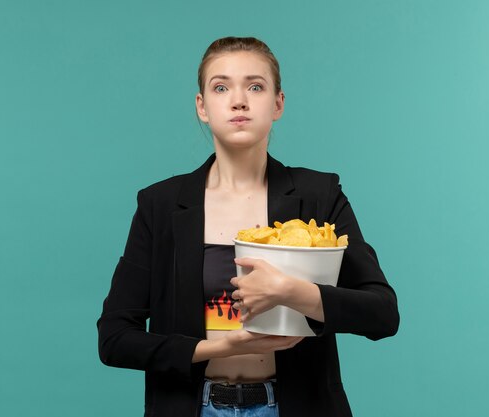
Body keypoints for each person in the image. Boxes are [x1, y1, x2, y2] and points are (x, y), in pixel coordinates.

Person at [97, 36, 399, 417]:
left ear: (278, 103)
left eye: (255, 86)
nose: (238, 100)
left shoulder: (318, 195)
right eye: (221, 87)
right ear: (202, 107)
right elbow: (114, 338)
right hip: (195, 406)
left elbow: (383, 313)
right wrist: (222, 348)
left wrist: (292, 291)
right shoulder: (159, 205)